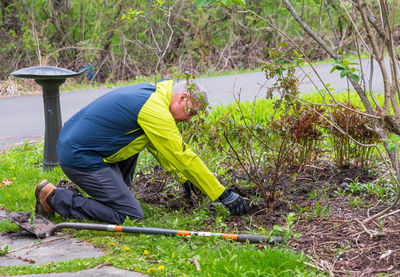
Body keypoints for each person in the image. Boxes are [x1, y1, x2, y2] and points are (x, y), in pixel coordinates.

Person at [35, 79, 249, 224]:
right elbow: (182, 155)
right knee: (130, 216)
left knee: (139, 142)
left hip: (88, 147)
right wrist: (223, 194)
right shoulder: (154, 110)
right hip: (80, 156)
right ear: (182, 98)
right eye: (190, 113)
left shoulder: (153, 95)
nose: (188, 119)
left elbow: (160, 148)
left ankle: (114, 194)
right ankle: (54, 198)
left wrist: (185, 179)